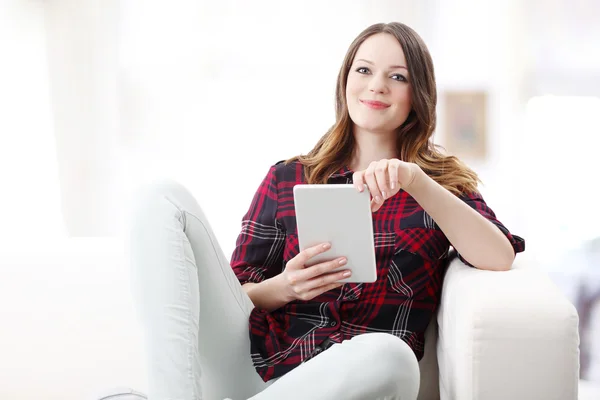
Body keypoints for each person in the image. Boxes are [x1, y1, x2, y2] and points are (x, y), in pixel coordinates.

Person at [128, 22, 525, 400]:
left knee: (394, 357)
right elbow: (238, 291)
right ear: (345, 81)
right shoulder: (288, 177)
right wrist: (285, 286)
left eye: (397, 77)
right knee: (162, 197)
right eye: (364, 70)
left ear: (417, 94)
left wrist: (416, 180)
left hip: (352, 378)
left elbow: (500, 256)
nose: (376, 86)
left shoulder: (438, 187)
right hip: (259, 364)